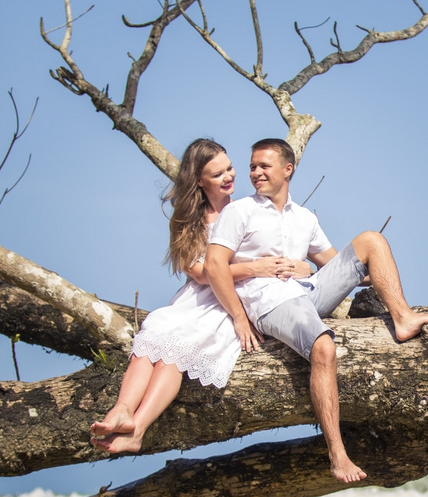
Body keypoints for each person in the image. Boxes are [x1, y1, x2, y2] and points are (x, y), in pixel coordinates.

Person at [205, 138, 428, 483]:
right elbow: (214, 266)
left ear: (287, 169)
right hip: (270, 301)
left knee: (371, 240)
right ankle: (337, 454)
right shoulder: (239, 211)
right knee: (323, 346)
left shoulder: (304, 218)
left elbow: (338, 267)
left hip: (306, 292)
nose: (255, 172)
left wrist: (323, 269)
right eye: (252, 166)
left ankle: (404, 318)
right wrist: (239, 317)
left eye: (264, 166)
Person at [91, 139, 305, 454]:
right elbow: (203, 274)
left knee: (176, 352)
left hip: (228, 300)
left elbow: (282, 250)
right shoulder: (187, 221)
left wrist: (297, 266)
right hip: (197, 299)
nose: (229, 177)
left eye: (230, 168)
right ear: (200, 181)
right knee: (155, 334)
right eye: (217, 174)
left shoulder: (248, 209)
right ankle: (123, 409)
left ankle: (138, 428)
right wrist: (253, 266)